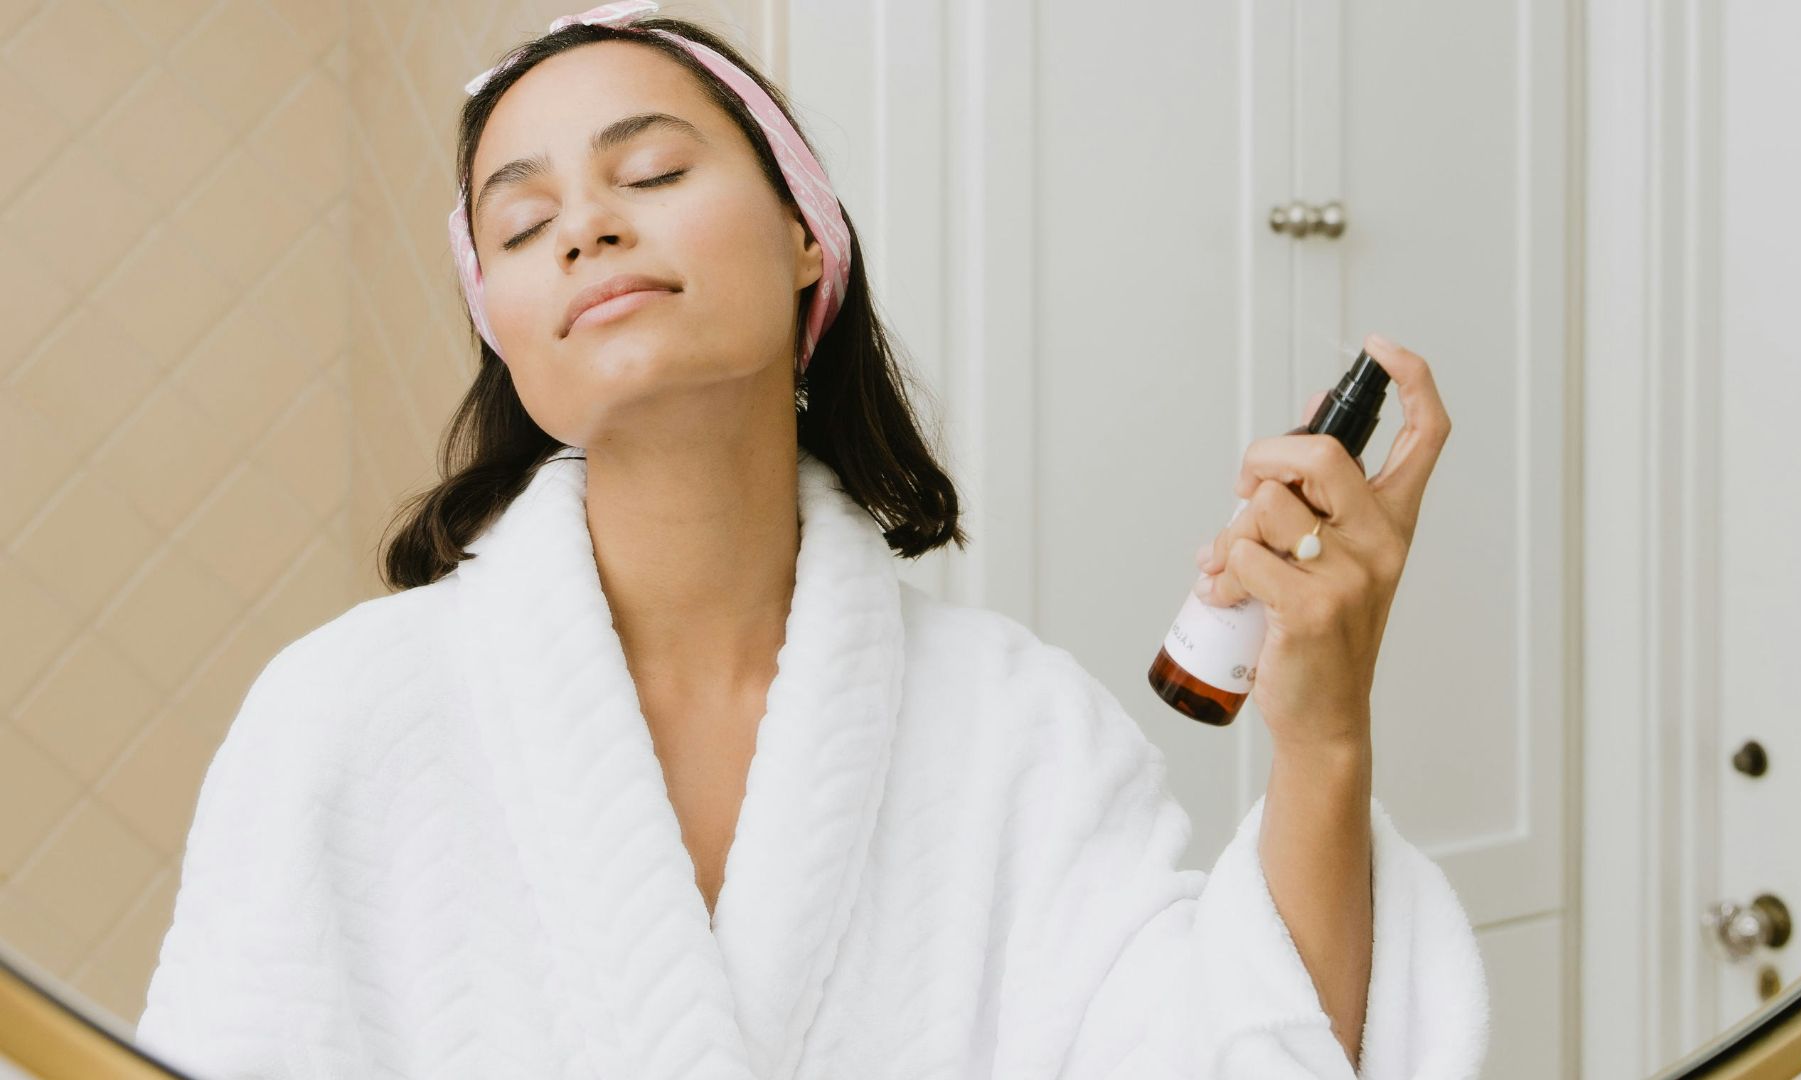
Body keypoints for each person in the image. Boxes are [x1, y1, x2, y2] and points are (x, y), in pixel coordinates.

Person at [135, 5, 1487, 1078]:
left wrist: (1324, 737)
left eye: (652, 171)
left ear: (804, 234)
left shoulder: (1020, 733)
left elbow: (1240, 1058)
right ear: (506, 337)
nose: (588, 227)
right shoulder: (339, 719)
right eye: (522, 224)